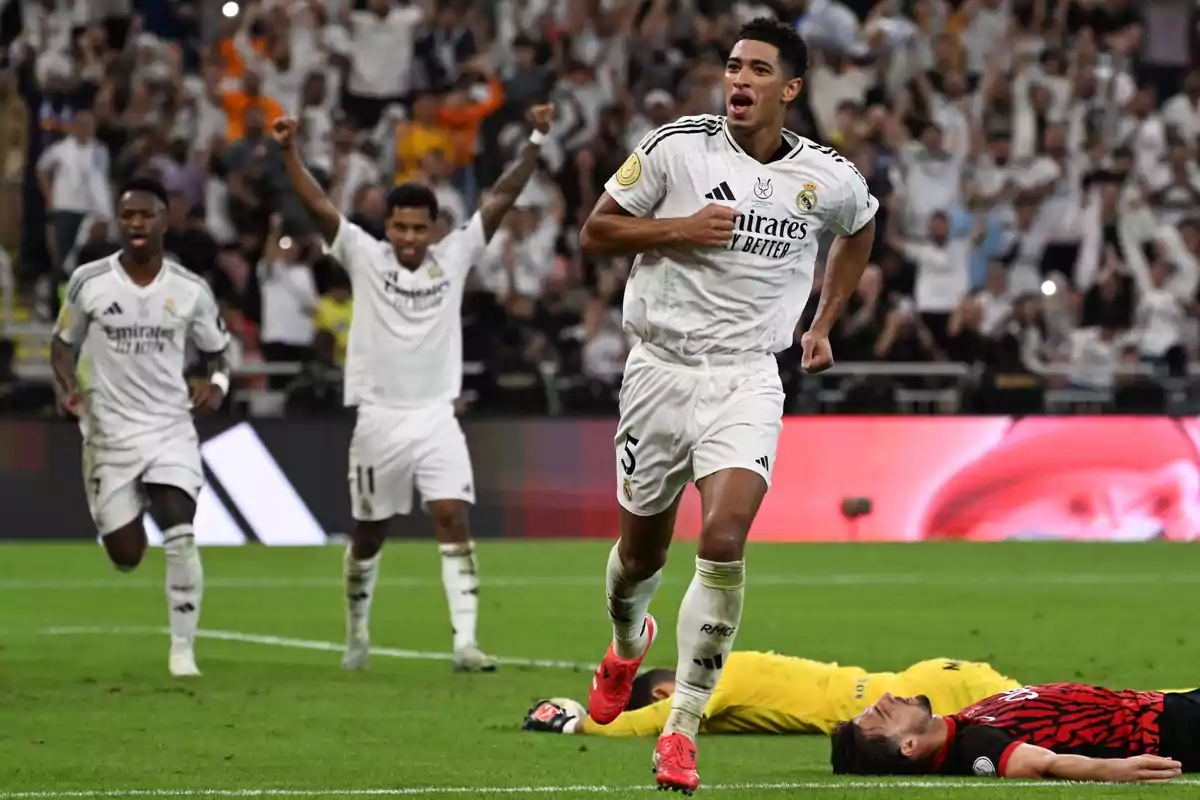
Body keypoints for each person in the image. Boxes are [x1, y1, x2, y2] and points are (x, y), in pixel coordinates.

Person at [576, 18, 878, 793]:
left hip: (747, 375)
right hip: (659, 372)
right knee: (640, 555)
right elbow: (596, 230)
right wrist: (679, 228)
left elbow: (861, 226)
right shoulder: (678, 147)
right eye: (733, 67)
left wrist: (823, 322)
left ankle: (681, 729)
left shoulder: (825, 176)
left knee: (724, 534)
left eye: (757, 70)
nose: (739, 81)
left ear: (791, 89)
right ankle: (625, 640)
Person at [271, 104, 556, 673]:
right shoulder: (363, 254)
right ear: (388, 227)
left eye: (417, 228)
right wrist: (287, 152)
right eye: (398, 227)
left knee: (452, 515)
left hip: (434, 417)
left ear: (433, 229)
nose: (406, 236)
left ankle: (466, 642)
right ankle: (357, 635)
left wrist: (535, 138)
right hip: (378, 418)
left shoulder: (454, 256)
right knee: (369, 532)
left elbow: (499, 197)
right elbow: (317, 205)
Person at [50, 176, 230, 678]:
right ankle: (126, 516)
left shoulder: (190, 289)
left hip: (170, 425)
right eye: (127, 215)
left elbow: (218, 353)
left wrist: (216, 386)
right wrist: (68, 386)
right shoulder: (90, 282)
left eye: (145, 215)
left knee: (180, 531)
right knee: (127, 555)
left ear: (163, 220)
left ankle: (182, 651)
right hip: (108, 432)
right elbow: (61, 343)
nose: (135, 223)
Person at [522, 655, 1020, 737]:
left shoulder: (717, 678)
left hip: (913, 697)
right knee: (1052, 716)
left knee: (1056, 729)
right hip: (918, 683)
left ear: (662, 690)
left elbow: (666, 721)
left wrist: (577, 723)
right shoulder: (734, 675)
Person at [829, 683, 1196, 783]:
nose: (887, 697)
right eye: (882, 712)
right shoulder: (972, 747)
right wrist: (1113, 770)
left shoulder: (961, 724)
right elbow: (1043, 764)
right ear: (908, 745)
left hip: (1167, 707)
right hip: (1174, 728)